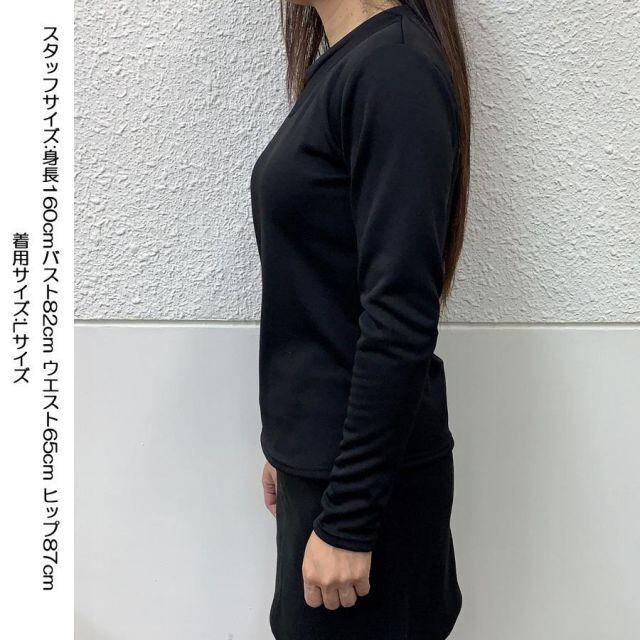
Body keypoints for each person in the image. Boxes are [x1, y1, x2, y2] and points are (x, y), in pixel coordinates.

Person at [250, 1, 470, 638]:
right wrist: (290, 448)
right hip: (330, 469)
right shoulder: (351, 64)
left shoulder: (393, 68)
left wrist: (348, 516)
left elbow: (400, 315)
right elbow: (322, 293)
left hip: (366, 497)